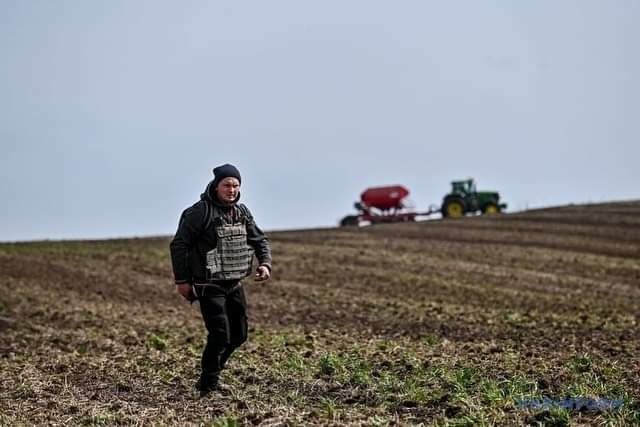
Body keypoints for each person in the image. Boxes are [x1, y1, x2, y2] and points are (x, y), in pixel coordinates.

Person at [169, 164, 272, 397]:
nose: (232, 190)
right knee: (220, 334)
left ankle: (213, 370)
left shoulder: (242, 212)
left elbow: (259, 240)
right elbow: (179, 245)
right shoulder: (200, 212)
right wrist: (182, 281)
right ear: (216, 187)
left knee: (239, 335)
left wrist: (265, 263)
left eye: (236, 185)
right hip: (208, 285)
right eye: (227, 185)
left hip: (234, 283)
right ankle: (208, 383)